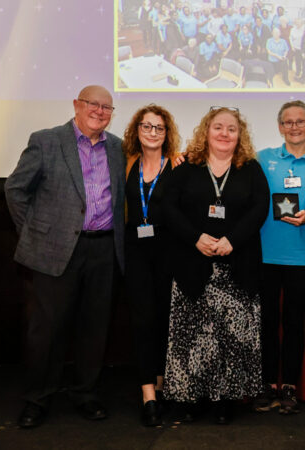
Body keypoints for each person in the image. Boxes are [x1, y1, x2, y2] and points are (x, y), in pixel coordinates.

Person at [6, 85, 125, 428]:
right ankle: (37, 399)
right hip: (55, 250)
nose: (100, 111)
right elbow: (15, 189)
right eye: (93, 104)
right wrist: (34, 233)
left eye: (107, 107)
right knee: (47, 330)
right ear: (76, 105)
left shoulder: (116, 147)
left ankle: (85, 394)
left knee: (94, 328)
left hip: (104, 249)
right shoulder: (46, 140)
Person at [162, 107, 270, 425]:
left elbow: (260, 208)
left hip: (237, 264)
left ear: (240, 135)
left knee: (230, 338)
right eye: (218, 127)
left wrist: (233, 240)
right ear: (206, 131)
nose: (224, 133)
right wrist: (195, 238)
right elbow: (168, 207)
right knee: (192, 336)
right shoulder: (187, 166)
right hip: (193, 265)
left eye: (231, 129)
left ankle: (225, 400)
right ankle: (191, 398)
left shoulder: (250, 168)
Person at [253, 101, 305, 415]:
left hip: (303, 256)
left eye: (301, 121)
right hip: (265, 255)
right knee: (266, 322)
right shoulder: (263, 159)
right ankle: (266, 384)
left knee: (294, 323)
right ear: (280, 127)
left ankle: (289, 385)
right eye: (288, 122)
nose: (295, 127)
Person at [121, 104, 181, 427]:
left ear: (166, 133)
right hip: (136, 253)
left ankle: (161, 384)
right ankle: (148, 396)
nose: (152, 132)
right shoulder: (128, 163)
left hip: (169, 253)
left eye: (159, 128)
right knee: (142, 320)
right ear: (137, 130)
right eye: (147, 126)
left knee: (165, 320)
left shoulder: (178, 165)